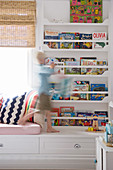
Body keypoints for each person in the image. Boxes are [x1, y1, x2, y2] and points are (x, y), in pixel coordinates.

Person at [35, 51, 59, 133]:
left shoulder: (43, 67)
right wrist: (51, 67)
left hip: (45, 93)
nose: (45, 60)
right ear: (41, 60)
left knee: (47, 111)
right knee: (40, 110)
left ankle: (49, 127)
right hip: (43, 93)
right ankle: (23, 119)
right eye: (44, 59)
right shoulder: (40, 68)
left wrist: (53, 69)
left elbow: (49, 73)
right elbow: (48, 72)